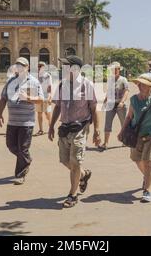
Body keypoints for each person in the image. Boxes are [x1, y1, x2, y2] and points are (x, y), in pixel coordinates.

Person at [49, 55, 101, 208]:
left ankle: (72, 195)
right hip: (64, 128)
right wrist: (51, 125)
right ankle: (84, 175)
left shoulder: (87, 85)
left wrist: (97, 130)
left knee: (76, 161)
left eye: (66, 65)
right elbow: (58, 106)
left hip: (80, 128)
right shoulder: (61, 85)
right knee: (65, 160)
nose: (62, 68)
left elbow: (94, 108)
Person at [118, 73, 151, 203]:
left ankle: (147, 190)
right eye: (139, 83)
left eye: (143, 84)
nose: (139, 85)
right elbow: (129, 116)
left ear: (150, 86)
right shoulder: (134, 99)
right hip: (137, 134)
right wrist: (122, 131)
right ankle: (147, 177)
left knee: (148, 162)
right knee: (136, 159)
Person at [0, 57, 44, 185]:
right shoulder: (10, 81)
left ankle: (21, 174)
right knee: (11, 145)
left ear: (28, 67)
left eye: (22, 65)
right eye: (17, 65)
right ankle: (27, 159)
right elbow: (3, 98)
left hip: (26, 122)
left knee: (22, 148)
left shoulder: (34, 82)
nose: (20, 67)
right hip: (12, 121)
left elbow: (41, 100)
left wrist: (28, 98)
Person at [100, 62, 130, 151]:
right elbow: (109, 92)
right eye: (113, 69)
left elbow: (126, 91)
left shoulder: (123, 79)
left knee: (123, 123)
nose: (115, 70)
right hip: (111, 104)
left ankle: (125, 141)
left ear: (119, 69)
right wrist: (104, 101)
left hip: (120, 105)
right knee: (107, 124)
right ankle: (105, 143)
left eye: (116, 69)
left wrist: (122, 102)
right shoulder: (110, 79)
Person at [35, 62, 53, 136]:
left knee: (47, 113)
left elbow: (49, 86)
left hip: (46, 96)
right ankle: (41, 129)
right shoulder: (36, 76)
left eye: (41, 66)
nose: (39, 68)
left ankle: (50, 127)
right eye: (38, 66)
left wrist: (49, 97)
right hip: (39, 96)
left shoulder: (48, 76)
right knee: (39, 113)